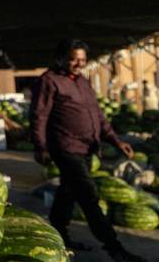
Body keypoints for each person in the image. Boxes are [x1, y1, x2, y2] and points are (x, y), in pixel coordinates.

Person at [30, 39, 144, 262]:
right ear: (61, 57)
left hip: (86, 148)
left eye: (82, 59)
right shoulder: (49, 81)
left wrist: (115, 141)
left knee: (67, 192)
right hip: (65, 147)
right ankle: (114, 248)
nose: (78, 63)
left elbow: (98, 115)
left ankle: (59, 236)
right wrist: (40, 146)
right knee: (89, 196)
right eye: (73, 59)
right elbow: (39, 116)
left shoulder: (82, 81)